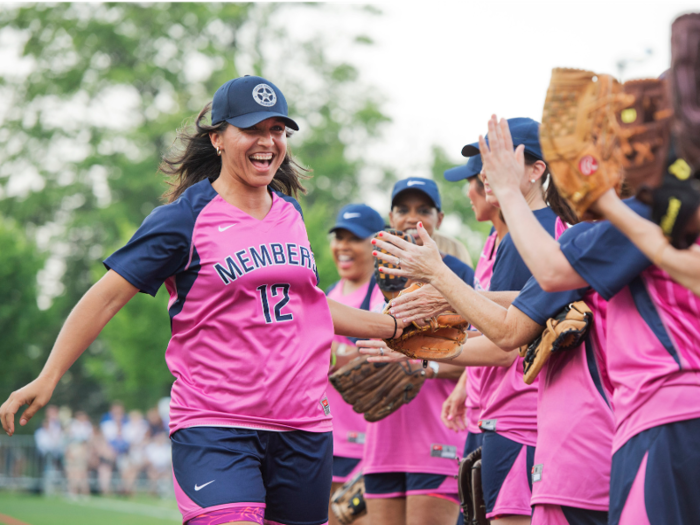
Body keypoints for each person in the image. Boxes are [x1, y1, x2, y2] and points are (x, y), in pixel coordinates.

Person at [0, 76, 405, 525]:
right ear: (217, 138)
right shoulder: (183, 219)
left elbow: (306, 305)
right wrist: (49, 376)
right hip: (217, 426)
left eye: (277, 130)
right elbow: (105, 300)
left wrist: (394, 325)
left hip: (304, 427)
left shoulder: (290, 213)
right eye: (252, 128)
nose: (267, 141)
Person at [472, 115, 700, 524]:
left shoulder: (637, 217)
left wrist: (507, 191)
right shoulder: (652, 220)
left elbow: (543, 283)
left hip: (658, 414)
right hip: (639, 421)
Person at [370, 118, 578, 525]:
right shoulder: (509, 235)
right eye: (484, 162)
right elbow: (502, 317)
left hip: (520, 419)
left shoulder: (533, 233)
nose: (484, 173)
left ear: (537, 170)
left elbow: (510, 339)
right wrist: (465, 382)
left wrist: (419, 353)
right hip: (500, 415)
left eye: (500, 159)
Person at [361, 177, 471, 525]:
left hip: (437, 438)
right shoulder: (377, 277)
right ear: (390, 217)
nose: (412, 217)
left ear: (439, 218)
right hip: (382, 441)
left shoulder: (458, 275)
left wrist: (423, 363)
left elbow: (486, 357)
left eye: (423, 210)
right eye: (403, 209)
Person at [441, 155, 508, 463]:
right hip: (482, 408)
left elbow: (509, 339)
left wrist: (413, 347)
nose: (470, 191)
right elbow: (484, 326)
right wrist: (464, 386)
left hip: (508, 413)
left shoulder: (521, 243)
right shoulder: (492, 240)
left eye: (474, 181)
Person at [325, 203, 386, 525]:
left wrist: (334, 353)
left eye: (354, 238)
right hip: (326, 438)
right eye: (339, 237)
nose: (343, 247)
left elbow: (385, 352)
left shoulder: (381, 292)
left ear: (375, 243)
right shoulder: (326, 295)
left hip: (366, 445)